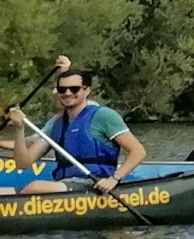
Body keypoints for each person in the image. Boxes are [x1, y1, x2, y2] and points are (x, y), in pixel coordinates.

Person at [3, 67, 147, 194]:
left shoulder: (103, 116)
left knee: (35, 187)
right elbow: (23, 163)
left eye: (74, 89)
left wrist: (114, 179)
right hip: (65, 185)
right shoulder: (56, 124)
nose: (67, 93)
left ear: (87, 90)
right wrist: (19, 128)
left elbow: (138, 151)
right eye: (62, 89)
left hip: (94, 185)